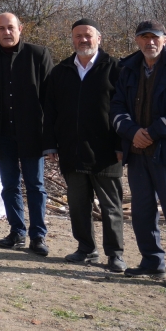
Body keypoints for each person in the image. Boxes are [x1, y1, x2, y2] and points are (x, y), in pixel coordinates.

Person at [110, 20, 166, 291]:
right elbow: (116, 106)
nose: (149, 42)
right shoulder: (128, 70)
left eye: (155, 37)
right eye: (144, 37)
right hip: (138, 152)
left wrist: (152, 132)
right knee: (142, 211)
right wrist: (132, 132)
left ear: (165, 39)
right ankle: (152, 261)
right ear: (137, 41)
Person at [43, 19, 125, 272]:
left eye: (88, 35)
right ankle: (86, 249)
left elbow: (125, 110)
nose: (83, 40)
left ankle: (115, 255)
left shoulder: (116, 69)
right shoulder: (61, 71)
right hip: (72, 150)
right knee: (78, 205)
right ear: (72, 39)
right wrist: (51, 144)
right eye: (78, 36)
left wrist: (122, 144)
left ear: (99, 38)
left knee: (111, 207)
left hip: (107, 152)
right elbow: (49, 111)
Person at [0, 12, 55, 255]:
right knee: (9, 185)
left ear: (20, 29)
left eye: (11, 27)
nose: (7, 32)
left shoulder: (38, 55)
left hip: (32, 133)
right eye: (1, 28)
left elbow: (51, 98)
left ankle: (38, 236)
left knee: (35, 185)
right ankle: (17, 231)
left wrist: (51, 136)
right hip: (0, 133)